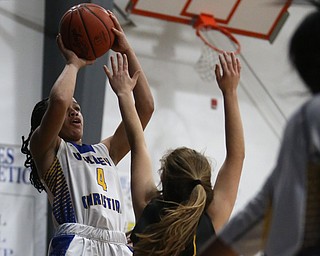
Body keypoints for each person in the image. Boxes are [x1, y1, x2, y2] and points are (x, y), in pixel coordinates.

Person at [20, 11, 154, 256]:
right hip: (77, 243)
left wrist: (127, 50)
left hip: (117, 245)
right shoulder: (47, 150)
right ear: (49, 122)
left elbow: (145, 108)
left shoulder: (107, 151)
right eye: (68, 111)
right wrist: (73, 64)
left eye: (78, 108)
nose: (75, 113)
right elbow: (59, 100)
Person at [199, 3, 320, 256]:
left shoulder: (308, 118)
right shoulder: (214, 213)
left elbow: (267, 208)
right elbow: (238, 158)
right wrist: (231, 92)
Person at [105, 49, 244, 255]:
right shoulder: (211, 220)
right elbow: (236, 156)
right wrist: (230, 92)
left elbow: (137, 142)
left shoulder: (148, 208)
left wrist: (124, 94)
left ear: (164, 177)